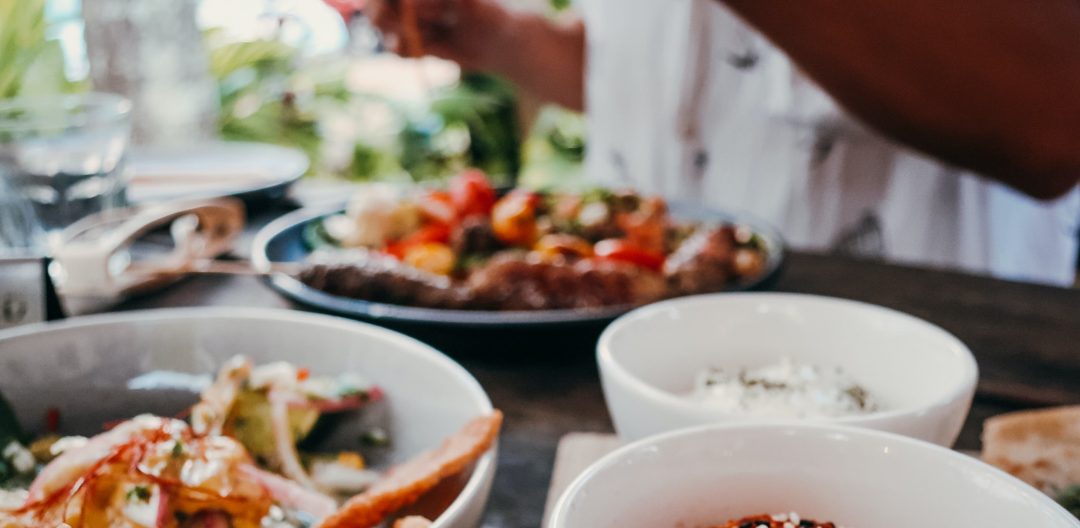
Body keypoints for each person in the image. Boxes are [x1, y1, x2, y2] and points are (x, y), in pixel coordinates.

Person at [366, 0, 1080, 285]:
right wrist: (501, 38)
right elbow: (673, 84)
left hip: (920, 369)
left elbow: (1052, 121)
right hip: (640, 341)